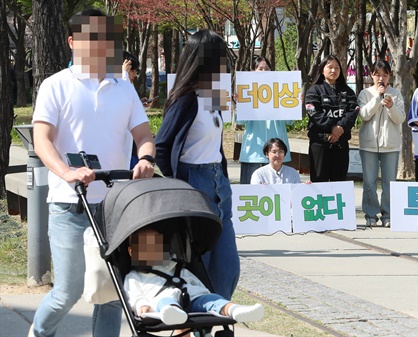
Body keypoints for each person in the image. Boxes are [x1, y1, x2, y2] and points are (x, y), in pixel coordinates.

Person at [30, 9, 156, 337]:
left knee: (111, 293)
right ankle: (39, 333)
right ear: (73, 42)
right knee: (67, 292)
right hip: (69, 205)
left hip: (114, 207)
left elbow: (143, 135)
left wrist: (145, 159)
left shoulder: (124, 87)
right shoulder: (55, 85)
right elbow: (41, 140)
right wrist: (66, 172)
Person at [154, 30, 239, 300]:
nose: (224, 63)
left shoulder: (214, 95)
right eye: (220, 57)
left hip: (218, 185)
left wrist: (222, 176)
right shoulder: (185, 99)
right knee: (199, 266)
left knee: (227, 268)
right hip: (194, 184)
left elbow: (215, 143)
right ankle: (203, 322)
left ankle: (218, 317)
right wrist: (177, 185)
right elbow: (162, 146)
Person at [124, 227, 264, 325]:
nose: (151, 249)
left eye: (156, 245)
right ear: (131, 252)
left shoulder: (175, 266)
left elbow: (193, 280)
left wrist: (204, 293)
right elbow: (133, 294)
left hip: (193, 297)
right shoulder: (134, 276)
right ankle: (173, 312)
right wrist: (141, 305)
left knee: (213, 300)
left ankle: (235, 310)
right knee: (166, 300)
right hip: (160, 303)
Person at [357, 60, 405, 227]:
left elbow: (401, 118)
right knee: (369, 181)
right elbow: (364, 115)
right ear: (372, 75)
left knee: (389, 182)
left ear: (389, 76)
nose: (381, 78)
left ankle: (388, 215)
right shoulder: (365, 93)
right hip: (369, 145)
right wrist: (378, 97)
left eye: (385, 75)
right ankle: (370, 214)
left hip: (390, 145)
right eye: (378, 74)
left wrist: (391, 106)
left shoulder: (396, 94)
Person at [235, 57, 294, 184]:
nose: (264, 71)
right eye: (260, 69)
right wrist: (240, 104)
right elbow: (240, 122)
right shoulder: (246, 91)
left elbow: (290, 122)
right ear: (252, 71)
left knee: (278, 194)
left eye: (267, 69)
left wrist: (295, 103)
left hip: (277, 152)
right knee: (250, 193)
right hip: (252, 153)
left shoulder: (281, 91)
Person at [305, 55, 359, 182]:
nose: (333, 71)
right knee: (319, 182)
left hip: (341, 144)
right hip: (319, 144)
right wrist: (332, 127)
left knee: (339, 182)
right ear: (322, 70)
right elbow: (314, 112)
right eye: (330, 67)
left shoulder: (348, 91)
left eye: (337, 68)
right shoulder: (314, 90)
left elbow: (353, 110)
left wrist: (340, 128)